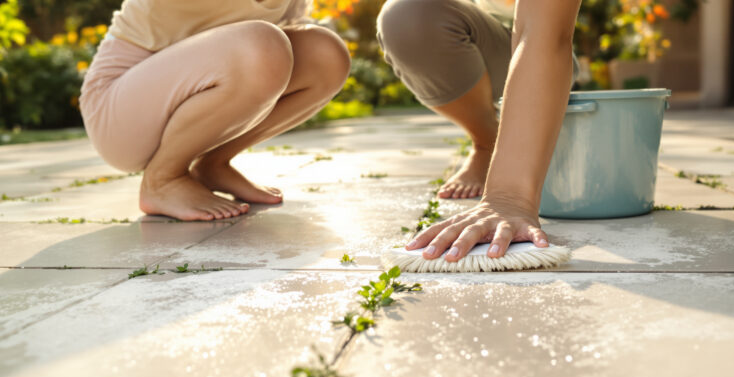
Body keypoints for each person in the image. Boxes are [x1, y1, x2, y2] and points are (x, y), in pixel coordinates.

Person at [79, 0, 350, 221]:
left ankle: (212, 165)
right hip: (119, 111)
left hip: (192, 90)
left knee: (326, 54)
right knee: (262, 46)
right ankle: (162, 179)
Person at [377, 0, 581, 261]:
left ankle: (507, 150)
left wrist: (508, 199)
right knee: (407, 14)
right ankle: (487, 142)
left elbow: (544, 30)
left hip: (540, 37)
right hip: (474, 36)